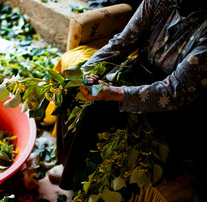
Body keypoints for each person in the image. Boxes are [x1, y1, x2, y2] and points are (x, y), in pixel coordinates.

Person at [56, 0, 207, 190]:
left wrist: (114, 93)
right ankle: (66, 163)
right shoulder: (158, 2)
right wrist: (86, 73)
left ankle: (73, 182)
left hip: (174, 108)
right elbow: (121, 43)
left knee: (94, 111)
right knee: (70, 86)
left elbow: (173, 92)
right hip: (140, 72)